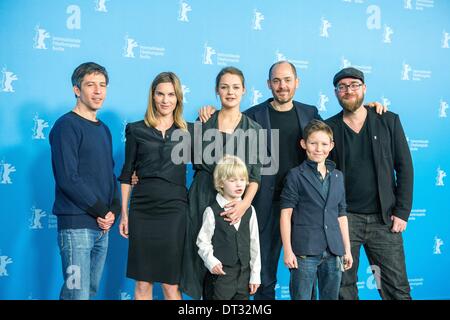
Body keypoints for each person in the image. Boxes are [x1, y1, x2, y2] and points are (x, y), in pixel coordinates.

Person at [198, 61, 386, 300]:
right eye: (276, 81)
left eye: (287, 80)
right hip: (261, 203)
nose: (282, 86)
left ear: (296, 83)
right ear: (268, 84)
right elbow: (226, 138)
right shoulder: (252, 115)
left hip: (303, 206)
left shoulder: (310, 113)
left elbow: (327, 137)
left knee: (311, 271)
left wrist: (366, 109)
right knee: (262, 271)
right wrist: (208, 114)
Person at [326, 67, 413, 300]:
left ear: (364, 89)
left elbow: (404, 167)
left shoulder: (387, 120)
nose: (348, 90)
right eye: (342, 87)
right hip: (344, 220)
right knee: (342, 289)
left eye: (354, 85)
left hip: (384, 220)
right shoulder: (329, 128)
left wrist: (402, 212)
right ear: (336, 93)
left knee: (396, 289)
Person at [180, 66, 262, 299]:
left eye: (236, 87)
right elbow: (178, 158)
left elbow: (255, 177)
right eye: (224, 87)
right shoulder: (203, 121)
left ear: (244, 90)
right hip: (202, 196)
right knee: (200, 256)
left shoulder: (254, 130)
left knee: (230, 258)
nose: (230, 92)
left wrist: (244, 205)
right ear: (217, 90)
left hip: (235, 203)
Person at [49, 62, 120, 300]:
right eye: (91, 85)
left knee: (89, 292)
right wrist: (101, 211)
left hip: (102, 227)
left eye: (102, 85)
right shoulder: (66, 126)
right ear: (77, 90)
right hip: (76, 226)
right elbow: (68, 178)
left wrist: (113, 210)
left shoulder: (104, 130)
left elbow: (109, 175)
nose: (98, 91)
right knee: (76, 294)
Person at [118, 72, 188, 300]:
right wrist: (124, 214)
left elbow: (209, 165)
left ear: (178, 98)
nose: (165, 100)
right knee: (142, 283)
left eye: (171, 94)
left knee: (170, 285)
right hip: (143, 209)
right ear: (152, 96)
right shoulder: (136, 129)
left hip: (175, 210)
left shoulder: (188, 132)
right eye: (160, 94)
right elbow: (127, 173)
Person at [280, 120, 353, 300]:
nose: (318, 149)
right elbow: (285, 214)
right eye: (313, 143)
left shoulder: (337, 176)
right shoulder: (295, 175)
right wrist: (288, 250)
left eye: (324, 144)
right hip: (305, 250)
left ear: (331, 146)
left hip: (334, 250)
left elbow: (341, 214)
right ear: (304, 144)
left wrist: (347, 249)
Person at [197, 155, 261, 300]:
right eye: (232, 180)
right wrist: (211, 262)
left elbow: (254, 244)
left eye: (242, 180)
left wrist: (255, 275)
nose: (239, 185)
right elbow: (203, 242)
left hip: (244, 278)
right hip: (220, 278)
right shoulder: (211, 211)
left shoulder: (250, 210)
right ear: (220, 183)